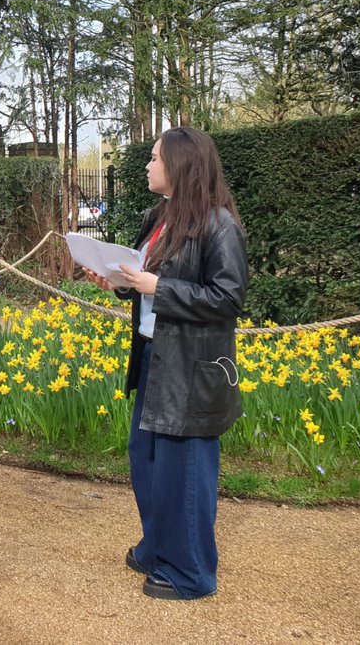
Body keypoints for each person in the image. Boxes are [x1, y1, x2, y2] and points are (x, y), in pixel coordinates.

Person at [82, 127, 248, 601]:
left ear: (180, 164)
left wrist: (159, 289)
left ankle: (191, 573)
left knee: (185, 471)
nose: (148, 165)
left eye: (155, 158)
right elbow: (146, 275)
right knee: (148, 461)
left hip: (191, 368)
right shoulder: (162, 216)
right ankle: (159, 548)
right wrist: (115, 281)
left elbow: (228, 298)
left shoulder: (219, 225)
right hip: (155, 355)